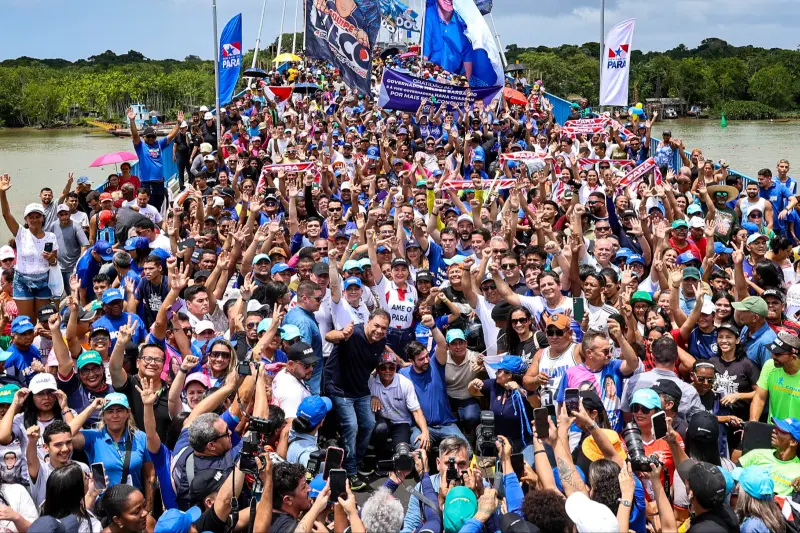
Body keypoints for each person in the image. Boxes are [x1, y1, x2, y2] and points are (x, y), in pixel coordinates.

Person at [324, 309, 390, 490]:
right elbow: (329, 336)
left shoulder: (381, 341)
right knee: (351, 426)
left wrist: (400, 362)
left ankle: (356, 460)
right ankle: (350, 471)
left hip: (361, 389)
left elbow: (383, 352)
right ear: (368, 321)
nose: (379, 331)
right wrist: (342, 334)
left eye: (384, 328)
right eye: (376, 325)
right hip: (340, 389)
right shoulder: (353, 333)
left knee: (369, 424)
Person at [68, 393, 155, 503]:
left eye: (119, 410)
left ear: (128, 412)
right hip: (103, 505)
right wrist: (92, 408)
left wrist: (149, 506)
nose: (115, 415)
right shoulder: (94, 437)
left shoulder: (140, 437)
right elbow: (66, 435)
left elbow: (149, 475)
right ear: (103, 415)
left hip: (134, 504)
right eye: (110, 411)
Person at [0, 176, 59, 319]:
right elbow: (6, 215)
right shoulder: (20, 233)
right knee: (27, 320)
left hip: (44, 281)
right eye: (31, 217)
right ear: (26, 219)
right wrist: (2, 193)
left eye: (37, 216)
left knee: (42, 320)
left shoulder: (51, 237)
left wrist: (51, 259)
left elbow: (54, 263)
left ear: (43, 218)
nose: (34, 219)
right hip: (22, 282)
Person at [127, 108, 183, 211]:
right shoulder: (140, 146)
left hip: (159, 183)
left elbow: (171, 136)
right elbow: (135, 135)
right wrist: (132, 121)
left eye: (153, 137)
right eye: (148, 137)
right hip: (147, 183)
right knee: (146, 208)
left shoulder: (159, 144)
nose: (151, 139)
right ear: (144, 137)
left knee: (157, 208)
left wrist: (178, 124)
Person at [738, 417, 800, 496]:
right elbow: (735, 473)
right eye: (776, 428)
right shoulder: (756, 454)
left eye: (782, 431)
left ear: (793, 442)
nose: (774, 430)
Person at [750, 330, 800, 421]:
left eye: (777, 354)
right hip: (773, 428)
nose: (772, 356)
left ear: (793, 357)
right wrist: (753, 423)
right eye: (772, 352)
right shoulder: (769, 365)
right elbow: (760, 398)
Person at [39, 462, 102, 533]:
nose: (90, 476)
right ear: (76, 491)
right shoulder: (93, 526)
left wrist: (91, 495)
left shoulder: (41, 523)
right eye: (86, 477)